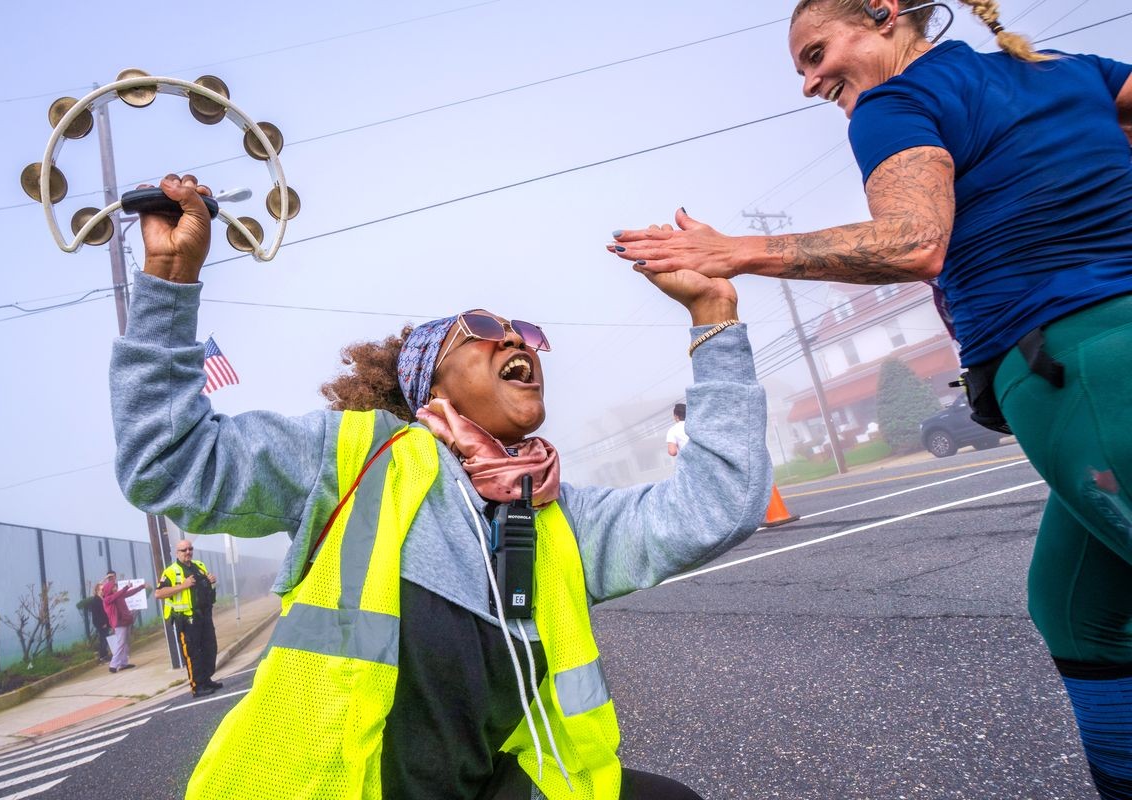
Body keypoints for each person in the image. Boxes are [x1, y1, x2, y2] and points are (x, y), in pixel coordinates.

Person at [607, 2, 1132, 796]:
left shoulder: (897, 101)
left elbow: (915, 240)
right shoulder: (1061, 69)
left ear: (887, 15)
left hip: (1076, 358)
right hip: (1089, 356)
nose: (812, 80)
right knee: (1073, 609)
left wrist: (735, 251)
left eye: (817, 53)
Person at [110, 174, 772, 799]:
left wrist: (714, 315)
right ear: (430, 384)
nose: (517, 339)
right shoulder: (352, 459)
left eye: (527, 335)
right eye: (483, 331)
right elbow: (165, 462)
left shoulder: (556, 512)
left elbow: (716, 506)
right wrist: (170, 282)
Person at [155, 539, 223, 697]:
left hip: (204, 616)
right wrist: (182, 585)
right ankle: (197, 686)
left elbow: (206, 585)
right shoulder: (171, 571)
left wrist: (211, 580)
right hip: (186, 620)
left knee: (209, 648)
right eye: (184, 550)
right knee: (193, 653)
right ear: (177, 553)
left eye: (190, 549)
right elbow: (159, 594)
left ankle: (206, 679)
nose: (188, 552)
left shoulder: (199, 566)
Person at [100, 571, 143, 673]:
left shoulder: (118, 595)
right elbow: (120, 593)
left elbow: (128, 593)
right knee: (121, 643)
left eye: (115, 586)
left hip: (125, 621)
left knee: (125, 643)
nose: (115, 588)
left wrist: (141, 587)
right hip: (119, 623)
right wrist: (126, 587)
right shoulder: (108, 599)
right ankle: (113, 664)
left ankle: (123, 663)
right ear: (109, 589)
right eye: (113, 587)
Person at [84, 581, 112, 663]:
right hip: (101, 623)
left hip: (105, 622)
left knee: (105, 638)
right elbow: (97, 614)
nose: (103, 591)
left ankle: (105, 654)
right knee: (103, 639)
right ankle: (102, 656)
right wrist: (102, 623)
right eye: (101, 589)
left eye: (103, 589)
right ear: (97, 590)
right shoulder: (96, 600)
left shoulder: (102, 599)